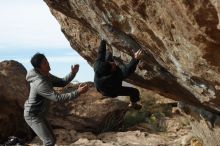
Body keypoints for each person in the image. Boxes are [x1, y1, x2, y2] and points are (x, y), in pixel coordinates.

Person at [24, 53, 88, 146]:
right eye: (44, 63)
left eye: (47, 61)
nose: (48, 63)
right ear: (39, 68)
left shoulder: (46, 75)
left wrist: (73, 73)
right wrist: (78, 92)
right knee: (48, 141)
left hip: (40, 114)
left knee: (52, 140)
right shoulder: (39, 83)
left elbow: (61, 82)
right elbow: (58, 98)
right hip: (33, 115)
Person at [94, 40, 142, 110]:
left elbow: (101, 53)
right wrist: (136, 59)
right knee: (135, 91)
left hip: (101, 85)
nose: (113, 63)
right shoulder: (114, 77)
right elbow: (128, 71)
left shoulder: (98, 65)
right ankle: (133, 103)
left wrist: (103, 41)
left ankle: (109, 57)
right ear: (110, 72)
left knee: (109, 54)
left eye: (111, 63)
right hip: (111, 91)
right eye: (112, 66)